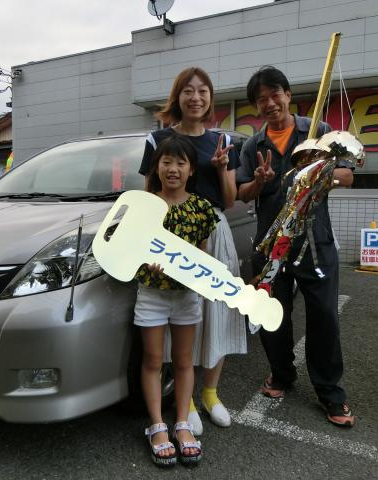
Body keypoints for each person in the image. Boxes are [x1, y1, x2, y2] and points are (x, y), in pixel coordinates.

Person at [236, 66, 356, 427]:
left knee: (324, 318)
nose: (270, 104)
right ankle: (281, 375)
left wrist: (318, 174)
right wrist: (259, 181)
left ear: (288, 95)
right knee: (272, 316)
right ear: (256, 107)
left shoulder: (317, 132)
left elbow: (348, 174)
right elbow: (242, 193)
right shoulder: (252, 146)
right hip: (271, 246)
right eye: (262, 100)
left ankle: (330, 392)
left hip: (315, 244)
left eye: (275, 95)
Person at [139, 67, 246, 434]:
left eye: (203, 91)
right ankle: (184, 403)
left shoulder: (222, 142)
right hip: (171, 231)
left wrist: (219, 169)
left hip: (212, 231)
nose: (195, 97)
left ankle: (211, 394)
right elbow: (147, 193)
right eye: (188, 90)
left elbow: (229, 200)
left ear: (210, 98)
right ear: (177, 96)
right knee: (181, 312)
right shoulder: (158, 140)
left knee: (216, 312)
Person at [135, 133, 218, 466]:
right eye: (166, 162)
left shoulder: (201, 208)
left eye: (180, 163)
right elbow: (132, 250)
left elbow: (202, 256)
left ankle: (182, 424)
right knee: (153, 361)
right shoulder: (144, 205)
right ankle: (157, 426)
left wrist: (196, 275)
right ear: (156, 168)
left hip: (186, 298)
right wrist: (146, 260)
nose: (173, 169)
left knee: (184, 361)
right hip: (151, 294)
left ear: (191, 170)